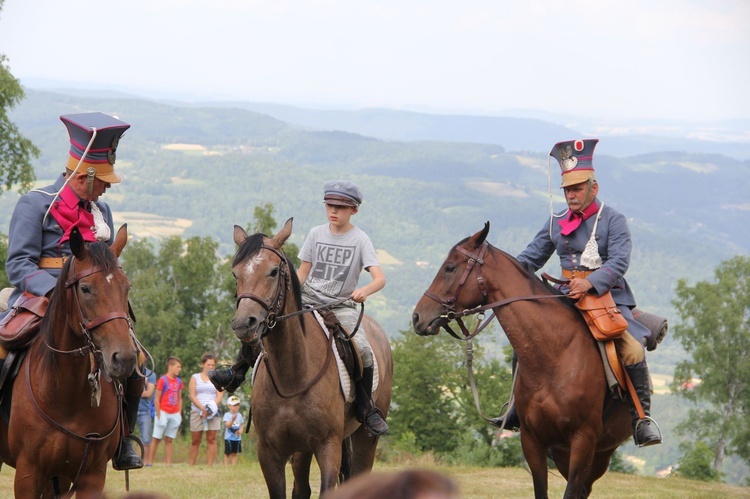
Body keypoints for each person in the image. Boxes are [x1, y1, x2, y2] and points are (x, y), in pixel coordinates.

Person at [491, 138, 661, 447]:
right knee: (525, 343)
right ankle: (517, 407)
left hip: (606, 298)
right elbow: (530, 258)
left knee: (633, 350)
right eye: (567, 190)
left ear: (593, 188)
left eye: (577, 189)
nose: (571, 195)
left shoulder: (613, 220)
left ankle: (642, 419)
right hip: (563, 297)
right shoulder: (556, 221)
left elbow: (619, 261)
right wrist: (504, 273)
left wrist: (591, 282)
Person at [0, 112, 144, 470]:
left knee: (136, 361)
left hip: (91, 299)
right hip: (37, 295)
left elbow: (105, 264)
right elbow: (18, 265)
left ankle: (123, 441)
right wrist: (60, 290)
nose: (108, 187)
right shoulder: (35, 203)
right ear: (85, 175)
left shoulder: (103, 211)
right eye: (104, 180)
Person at [209, 180, 389, 436]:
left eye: (340, 206)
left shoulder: (361, 240)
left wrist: (364, 291)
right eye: (329, 205)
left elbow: (380, 278)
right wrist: (290, 296)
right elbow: (302, 273)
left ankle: (366, 408)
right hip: (308, 302)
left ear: (354, 210)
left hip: (341, 306)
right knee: (264, 326)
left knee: (363, 350)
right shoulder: (316, 234)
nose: (333, 211)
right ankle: (236, 373)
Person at [188, 353, 224, 466]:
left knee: (212, 439)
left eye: (213, 365)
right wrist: (203, 408)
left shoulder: (217, 378)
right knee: (195, 440)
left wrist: (210, 408)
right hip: (197, 410)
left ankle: (210, 465)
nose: (211, 367)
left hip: (213, 411)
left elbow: (220, 395)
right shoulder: (195, 377)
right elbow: (192, 395)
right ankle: (191, 464)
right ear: (203, 364)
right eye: (208, 364)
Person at [149, 357, 184, 466]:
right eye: (178, 367)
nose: (180, 369)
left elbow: (180, 398)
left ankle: (168, 463)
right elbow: (157, 398)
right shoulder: (163, 380)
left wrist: (179, 413)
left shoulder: (178, 381)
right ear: (170, 367)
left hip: (174, 413)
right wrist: (159, 414)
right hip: (163, 411)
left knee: (169, 439)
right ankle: (150, 462)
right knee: (156, 438)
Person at [137, 367, 157, 467]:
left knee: (146, 437)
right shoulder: (127, 370)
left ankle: (146, 462)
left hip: (144, 410)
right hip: (128, 409)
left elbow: (149, 393)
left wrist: (133, 393)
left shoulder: (150, 374)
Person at [222, 395, 244, 466]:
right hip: (229, 438)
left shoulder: (240, 415)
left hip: (237, 438)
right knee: (227, 453)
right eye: (234, 405)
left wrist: (241, 430)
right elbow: (227, 425)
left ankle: (234, 466)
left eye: (237, 405)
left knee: (235, 453)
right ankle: (226, 466)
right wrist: (232, 419)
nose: (236, 407)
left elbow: (241, 424)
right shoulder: (227, 415)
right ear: (229, 406)